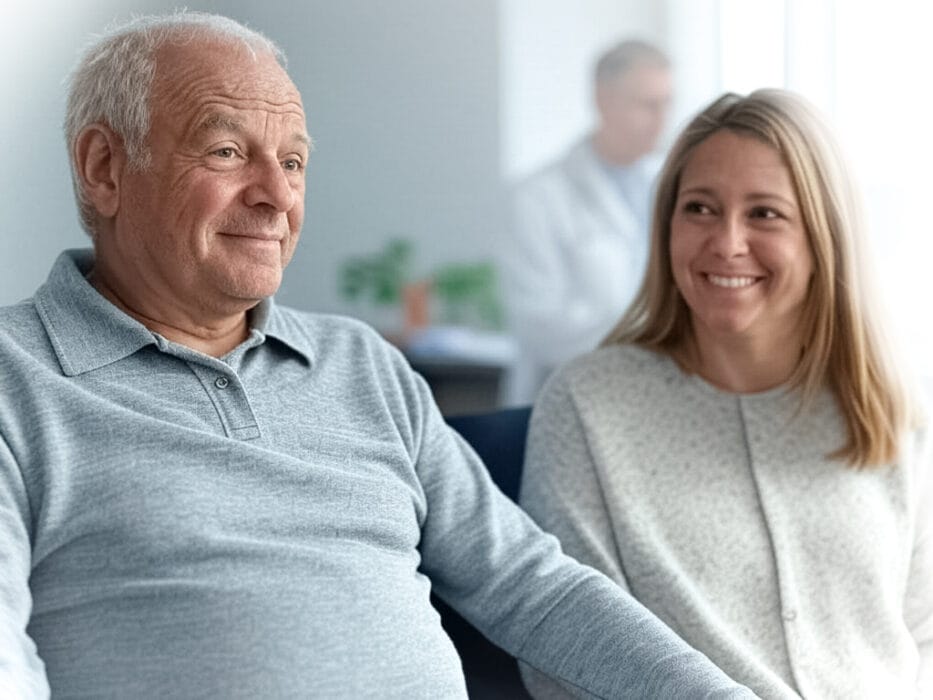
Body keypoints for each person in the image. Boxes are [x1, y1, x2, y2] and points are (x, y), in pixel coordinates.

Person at [0, 11, 758, 699]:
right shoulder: (15, 379)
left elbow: (535, 588)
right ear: (104, 168)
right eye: (227, 151)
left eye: (293, 163)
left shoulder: (362, 365)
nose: (276, 196)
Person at [518, 89, 933, 699]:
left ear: (824, 236)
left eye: (764, 213)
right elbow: (566, 652)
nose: (727, 242)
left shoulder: (889, 406)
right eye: (699, 209)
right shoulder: (590, 404)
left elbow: (925, 634)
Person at [500, 39, 672, 403]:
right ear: (603, 100)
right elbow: (539, 325)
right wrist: (650, 330)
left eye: (665, 104)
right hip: (564, 398)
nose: (661, 120)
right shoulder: (538, 198)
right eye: (647, 105)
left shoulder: (669, 187)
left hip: (651, 397)